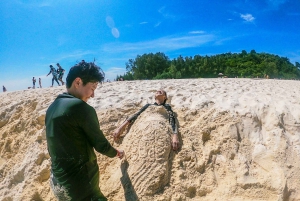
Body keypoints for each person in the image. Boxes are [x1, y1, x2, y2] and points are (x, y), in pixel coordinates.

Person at [45, 61, 124, 201]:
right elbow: (100, 144)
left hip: (57, 181)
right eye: (92, 88)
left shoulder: (52, 107)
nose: (93, 95)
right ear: (78, 82)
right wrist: (115, 152)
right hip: (80, 185)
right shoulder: (80, 107)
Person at [113, 89, 180, 151]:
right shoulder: (148, 105)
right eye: (157, 91)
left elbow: (172, 120)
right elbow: (136, 115)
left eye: (161, 91)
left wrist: (175, 135)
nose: (159, 90)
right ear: (155, 97)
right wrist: (120, 128)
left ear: (165, 97)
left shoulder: (167, 107)